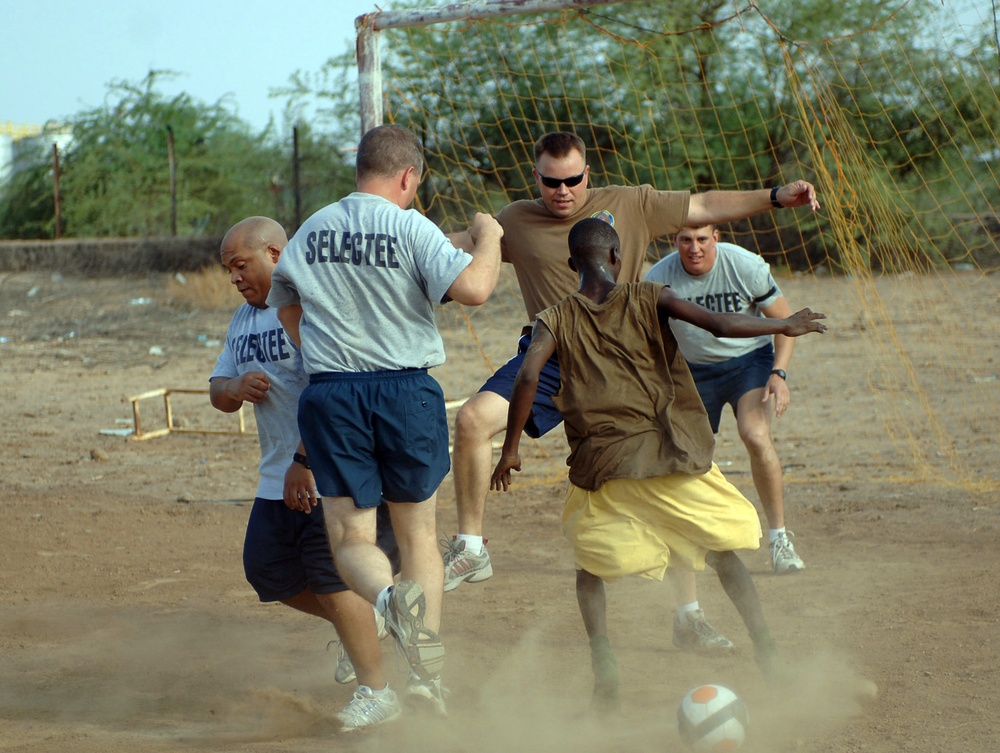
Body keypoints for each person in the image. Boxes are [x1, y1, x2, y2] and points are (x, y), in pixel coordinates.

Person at [444, 130, 820, 651]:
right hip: (553, 350)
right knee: (469, 421)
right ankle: (470, 545)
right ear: (537, 179)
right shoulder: (516, 223)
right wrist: (461, 233)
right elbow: (452, 249)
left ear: (587, 175)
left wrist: (776, 197)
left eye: (573, 179)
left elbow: (707, 204)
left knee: (662, 473)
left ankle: (685, 617)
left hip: (630, 361)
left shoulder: (632, 208)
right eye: (551, 182)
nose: (562, 190)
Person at [489, 218, 827, 711]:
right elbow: (719, 324)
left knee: (589, 566)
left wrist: (511, 449)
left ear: (570, 265)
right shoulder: (650, 295)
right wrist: (782, 324)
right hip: (672, 455)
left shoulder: (553, 318)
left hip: (604, 467)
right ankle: (770, 656)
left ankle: (605, 670)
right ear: (617, 260)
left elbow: (525, 378)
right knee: (721, 554)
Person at [266, 124, 504, 716]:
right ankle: (425, 677)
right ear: (408, 177)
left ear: (359, 170)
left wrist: (319, 345)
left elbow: (284, 300)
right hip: (406, 391)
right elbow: (474, 287)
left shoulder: (314, 227)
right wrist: (489, 236)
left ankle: (387, 598)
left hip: (334, 393)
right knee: (419, 532)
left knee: (351, 537)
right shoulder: (409, 224)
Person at [209, 216, 401, 732]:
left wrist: (304, 461)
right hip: (277, 476)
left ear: (275, 253)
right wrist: (234, 389)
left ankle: (378, 693)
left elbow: (334, 391)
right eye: (229, 269)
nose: (234, 278)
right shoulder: (243, 319)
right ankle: (365, 622)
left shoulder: (307, 308)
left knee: (332, 578)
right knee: (266, 569)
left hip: (327, 469)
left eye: (240, 265)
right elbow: (217, 391)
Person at [645, 225, 806, 574]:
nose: (694, 248)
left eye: (702, 239)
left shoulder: (745, 266)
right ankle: (690, 540)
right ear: (674, 241)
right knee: (687, 454)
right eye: (685, 240)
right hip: (692, 370)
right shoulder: (659, 277)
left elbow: (786, 324)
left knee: (755, 434)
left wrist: (778, 374)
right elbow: (649, 339)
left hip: (748, 363)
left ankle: (779, 539)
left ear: (716, 237)